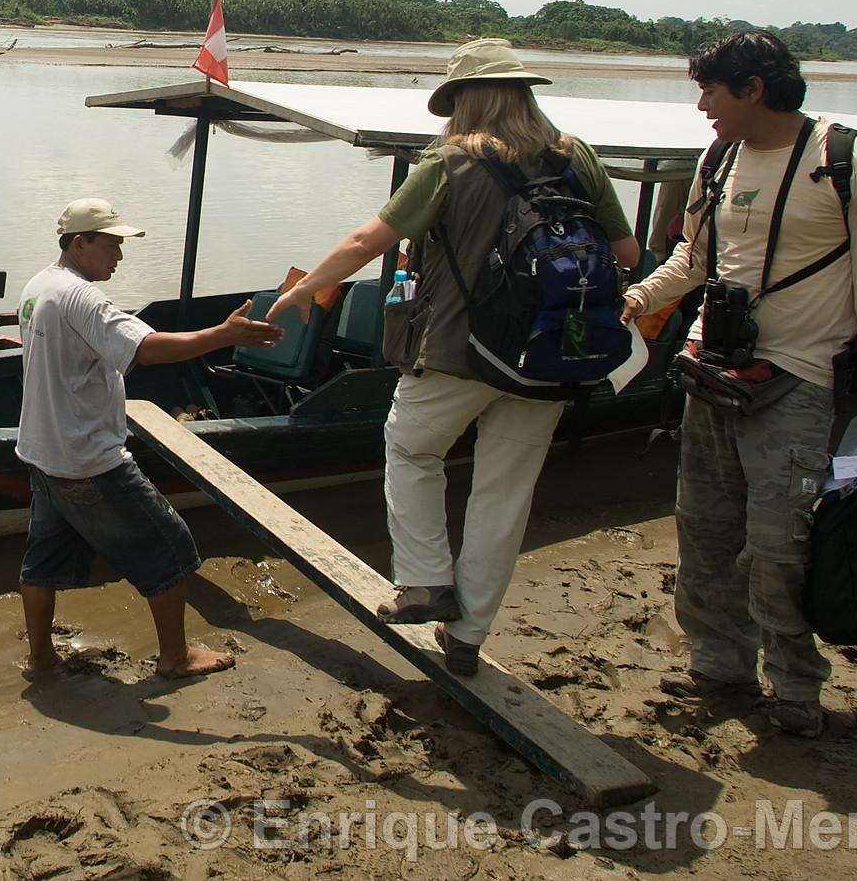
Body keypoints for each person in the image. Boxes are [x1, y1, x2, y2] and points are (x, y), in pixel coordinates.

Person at [269, 39, 640, 676]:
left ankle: (424, 582)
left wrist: (305, 289)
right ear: (523, 92)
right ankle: (467, 636)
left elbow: (367, 240)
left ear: (463, 99)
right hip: (552, 352)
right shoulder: (576, 155)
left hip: (459, 351)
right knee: (505, 493)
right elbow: (627, 254)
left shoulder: (451, 160)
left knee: (412, 449)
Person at [622, 30, 857, 738]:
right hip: (713, 371)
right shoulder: (719, 158)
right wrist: (638, 298)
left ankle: (793, 685)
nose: (703, 106)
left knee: (778, 543)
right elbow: (694, 258)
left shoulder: (851, 164)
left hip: (797, 380)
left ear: (753, 88)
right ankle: (720, 666)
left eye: (711, 91)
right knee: (704, 530)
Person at [17, 196, 282, 680]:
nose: (119, 255)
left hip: (44, 453)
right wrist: (224, 335)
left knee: (43, 560)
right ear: (79, 244)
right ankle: (176, 657)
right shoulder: (81, 297)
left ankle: (40, 657)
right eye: (111, 245)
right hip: (89, 459)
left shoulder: (39, 286)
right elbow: (148, 348)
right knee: (169, 548)